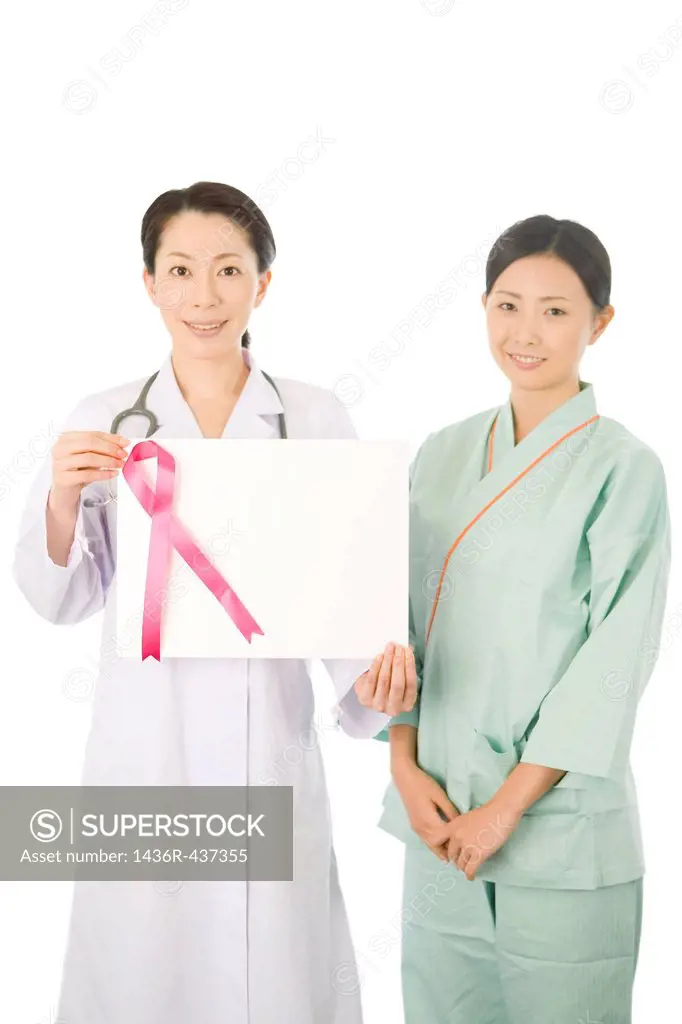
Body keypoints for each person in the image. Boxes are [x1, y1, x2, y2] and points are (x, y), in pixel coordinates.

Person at [12, 181, 416, 1024]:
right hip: (144, 751)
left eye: (229, 269)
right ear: (150, 282)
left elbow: (344, 592)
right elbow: (63, 601)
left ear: (262, 284)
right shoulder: (105, 422)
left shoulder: (310, 416)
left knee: (273, 975)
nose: (205, 296)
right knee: (139, 974)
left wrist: (373, 689)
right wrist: (59, 500)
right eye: (182, 270)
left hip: (268, 749)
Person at [364, 214, 671, 1023]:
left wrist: (506, 808)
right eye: (507, 305)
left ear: (600, 322)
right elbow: (395, 622)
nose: (525, 332)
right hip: (439, 816)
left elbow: (618, 656)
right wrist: (403, 760)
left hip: (555, 830)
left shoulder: (623, 469)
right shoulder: (443, 452)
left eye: (556, 310)